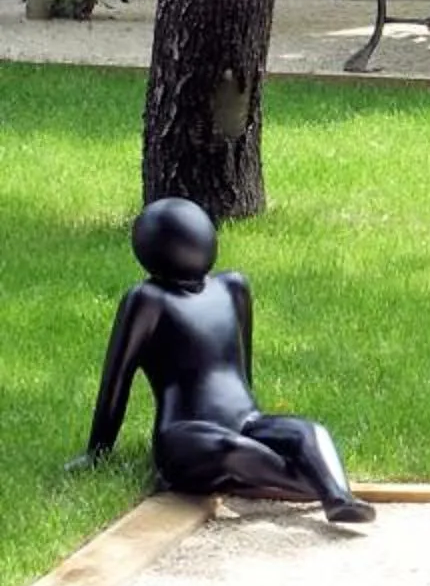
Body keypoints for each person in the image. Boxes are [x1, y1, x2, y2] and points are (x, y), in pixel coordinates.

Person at [70, 197, 375, 524]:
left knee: (309, 431)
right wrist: (97, 451)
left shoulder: (233, 287)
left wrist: (261, 424)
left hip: (246, 419)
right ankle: (308, 484)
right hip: (185, 433)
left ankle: (339, 497)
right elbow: (116, 380)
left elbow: (242, 370)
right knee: (233, 451)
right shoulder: (148, 301)